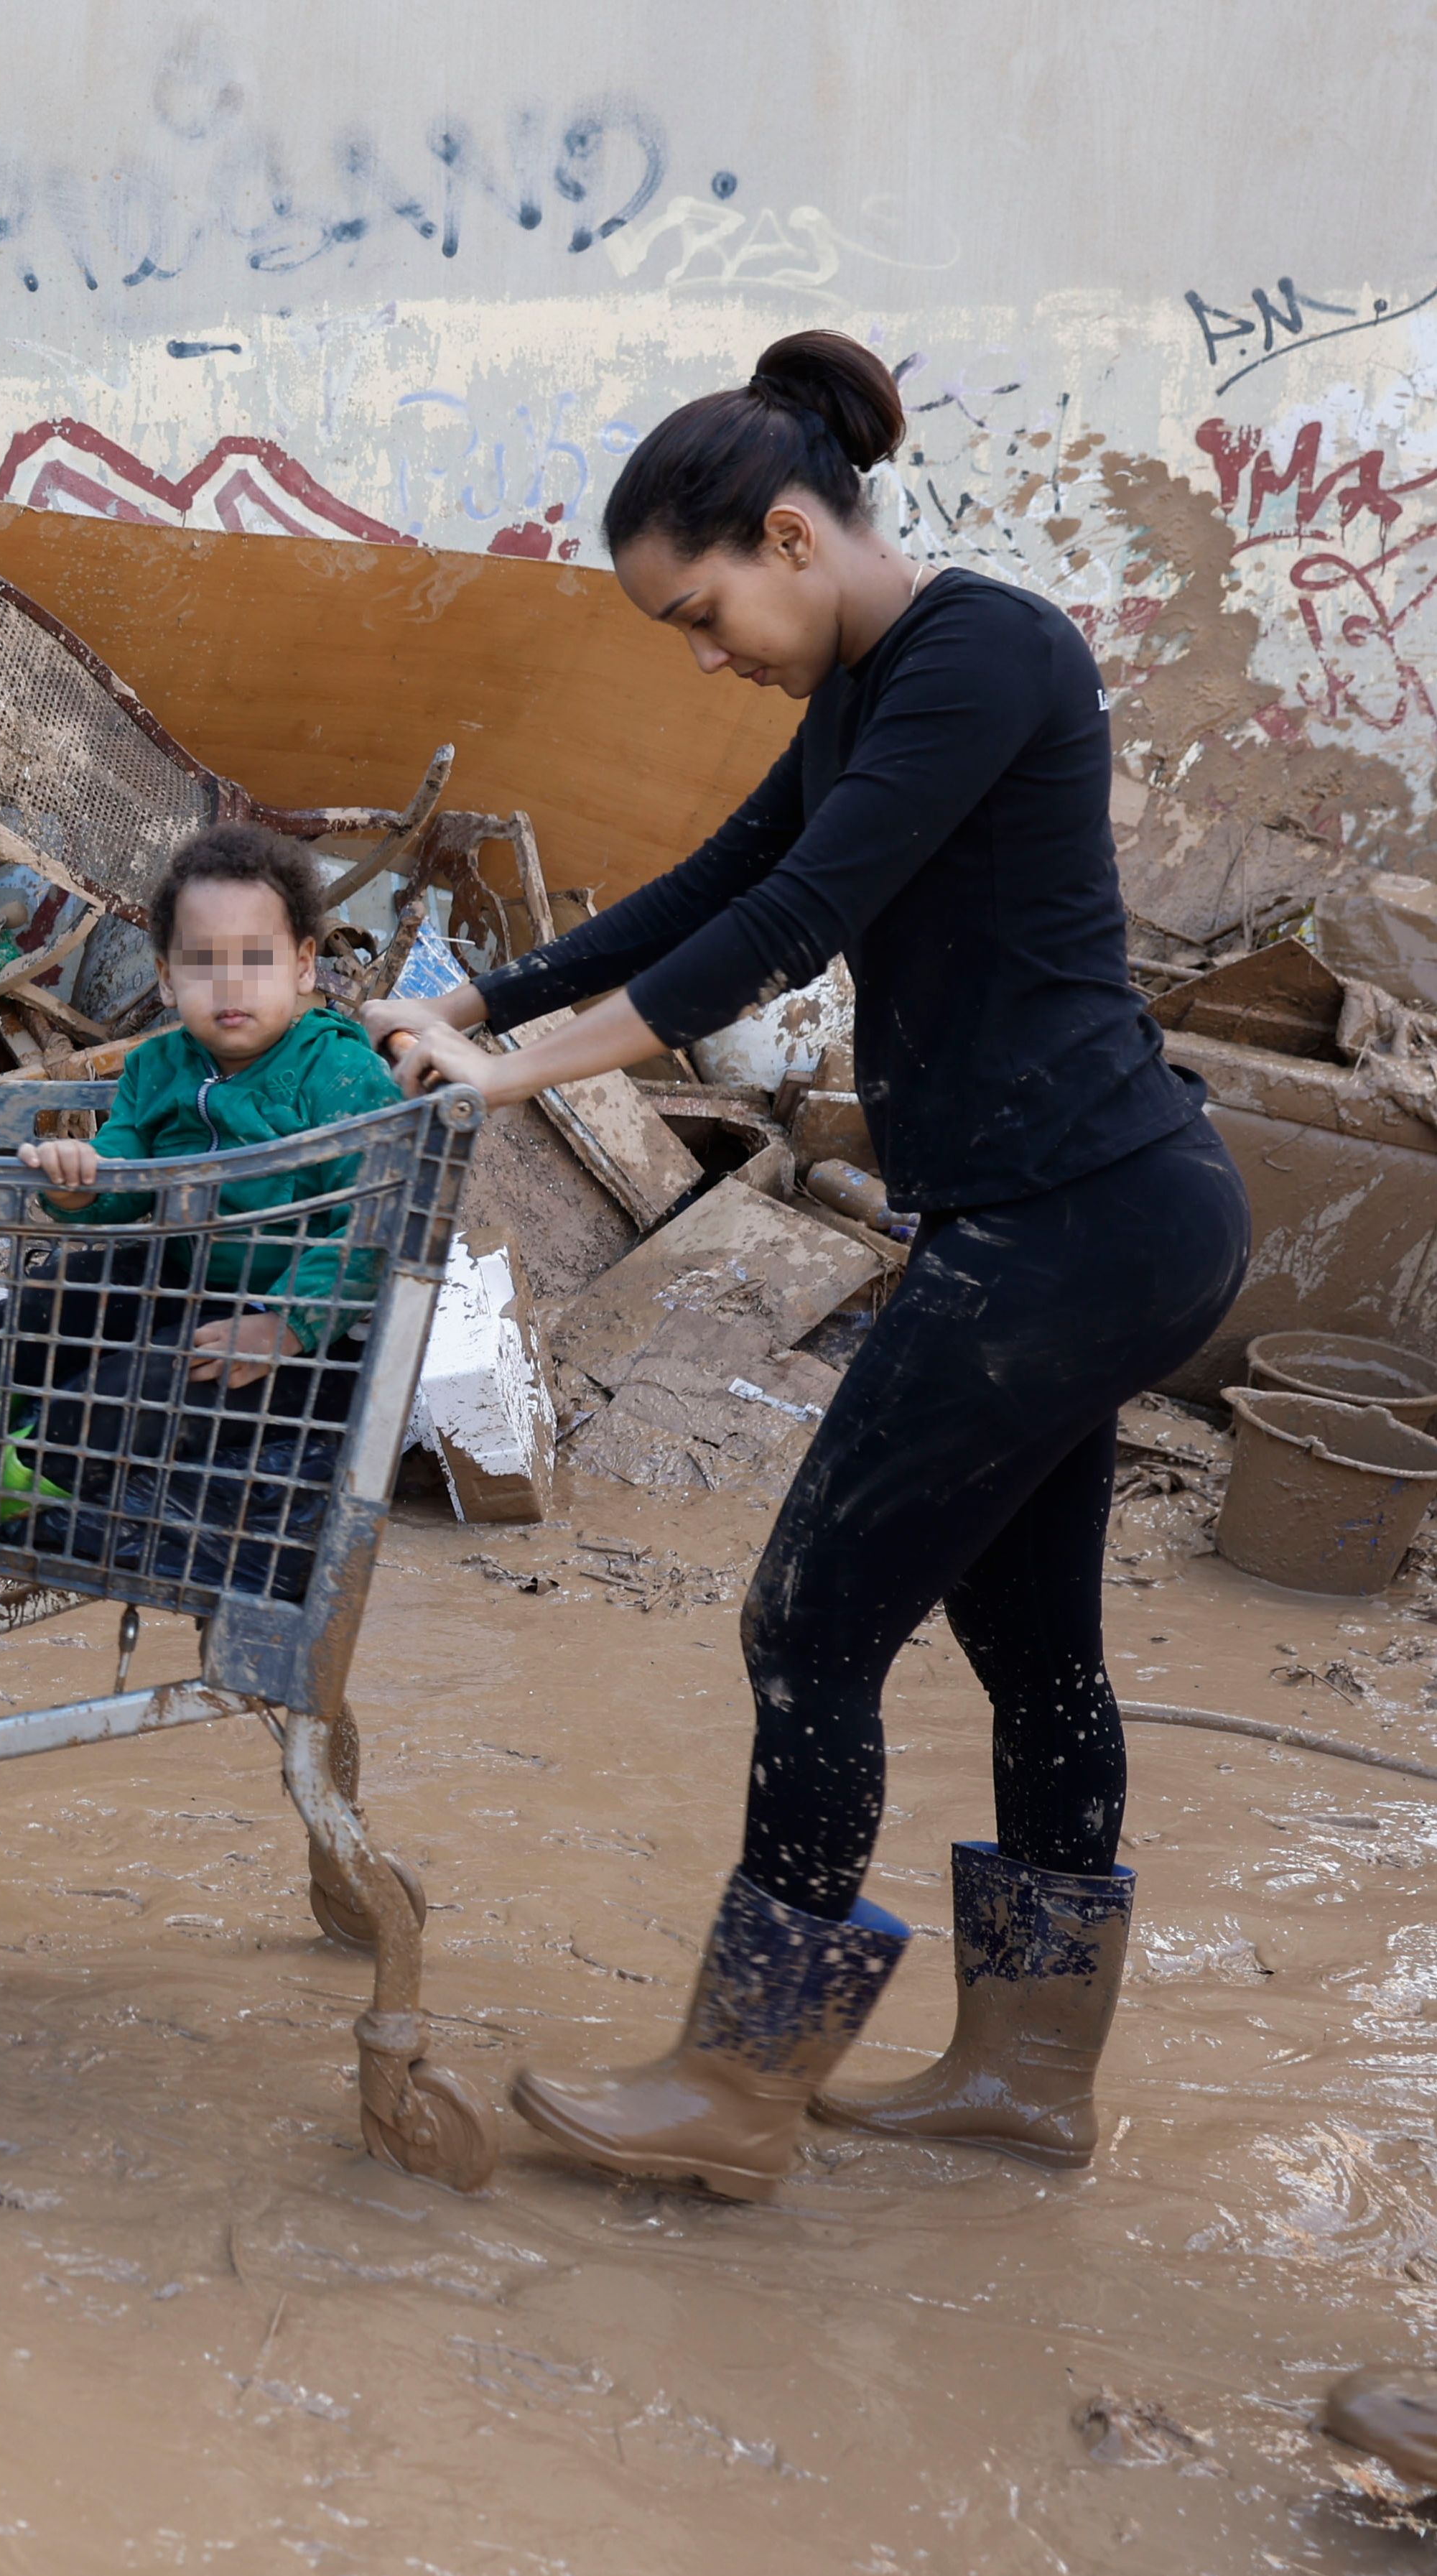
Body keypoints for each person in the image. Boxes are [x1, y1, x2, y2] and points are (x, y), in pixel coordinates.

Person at [367, 329, 1252, 2205]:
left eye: (700, 612)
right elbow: (709, 875)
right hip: (1070, 1212)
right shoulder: (867, 683)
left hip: (1075, 1217)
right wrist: (472, 990)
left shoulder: (979, 652)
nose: (703, 655)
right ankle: (1022, 2075)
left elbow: (787, 923)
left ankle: (734, 2080)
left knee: (803, 1621)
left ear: (786, 532)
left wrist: (515, 1071)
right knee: (1029, 1644)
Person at [0, 823, 402, 1592]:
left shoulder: (339, 1074)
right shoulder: (159, 1065)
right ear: (169, 979)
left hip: (312, 1338)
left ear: (304, 966)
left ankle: (7, 1489)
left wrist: (288, 1325)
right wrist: (81, 1181)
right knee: (33, 1313)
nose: (230, 985)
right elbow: (126, 1165)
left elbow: (375, 1224)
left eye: (256, 959)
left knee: (113, 1402)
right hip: (190, 1277)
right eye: (204, 964)